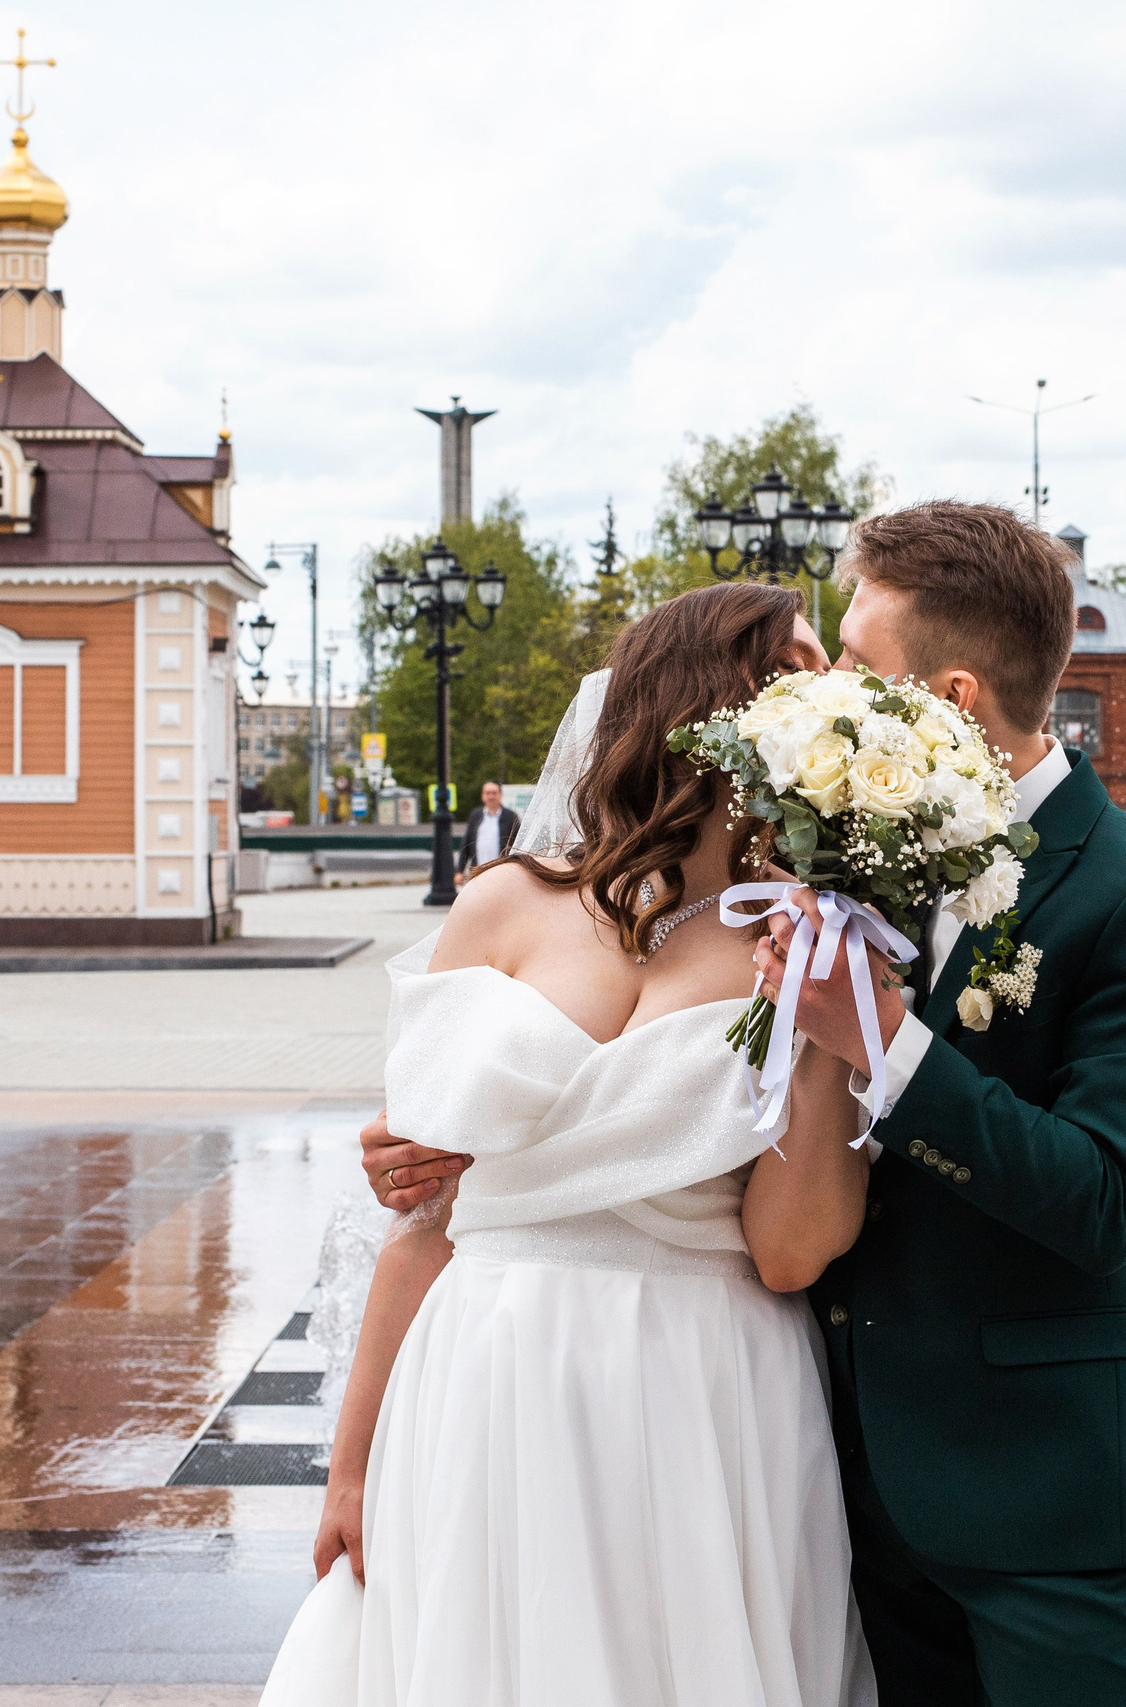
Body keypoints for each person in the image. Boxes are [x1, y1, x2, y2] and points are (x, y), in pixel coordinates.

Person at [367, 501, 1126, 1707]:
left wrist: (884, 1042)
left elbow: (1103, 1204)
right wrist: (463, 1142)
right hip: (825, 1467)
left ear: (949, 698)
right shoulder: (823, 870)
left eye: (855, 669)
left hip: (1037, 1488)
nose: (823, 695)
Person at [260, 581, 876, 1707]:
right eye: (795, 668)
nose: (831, 693)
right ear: (708, 701)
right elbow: (421, 1225)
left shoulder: (807, 935)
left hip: (706, 1378)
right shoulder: (502, 907)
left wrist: (833, 1031)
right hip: (491, 1367)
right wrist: (349, 1467)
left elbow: (790, 1254)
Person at [452, 779, 520, 887]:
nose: (491, 796)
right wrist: (459, 871)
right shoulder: (475, 815)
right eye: (487, 793)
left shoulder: (510, 817)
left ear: (500, 795)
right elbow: (466, 844)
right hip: (477, 871)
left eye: (494, 793)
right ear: (483, 796)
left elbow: (518, 845)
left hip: (502, 873)